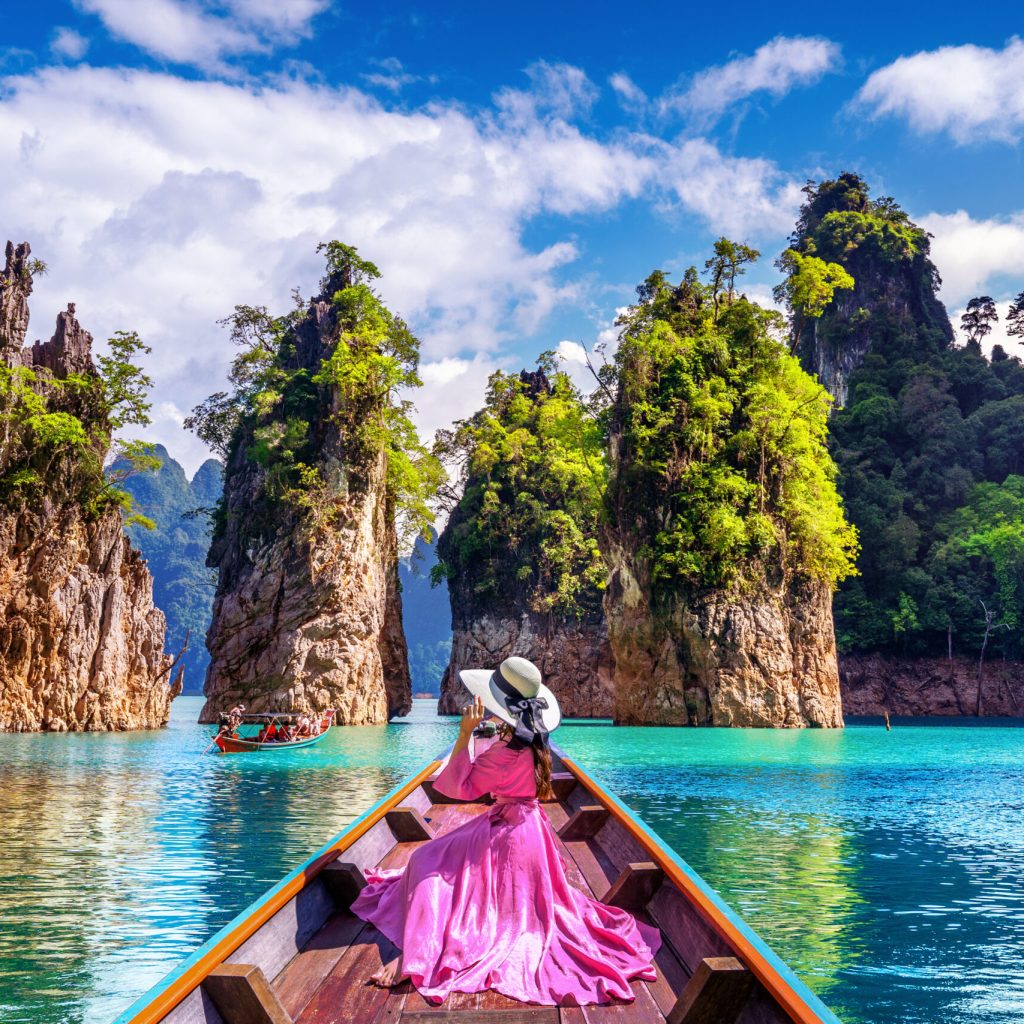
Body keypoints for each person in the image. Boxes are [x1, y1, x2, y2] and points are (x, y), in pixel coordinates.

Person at [350, 656, 660, 1007]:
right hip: (531, 831)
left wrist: (465, 733)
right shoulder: (534, 742)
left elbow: (457, 786)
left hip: (505, 836)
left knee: (423, 861)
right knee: (463, 871)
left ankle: (418, 956)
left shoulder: (503, 754)